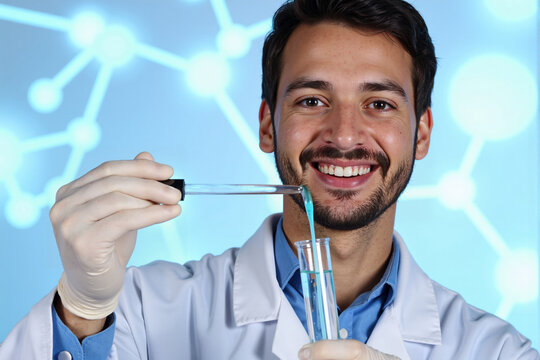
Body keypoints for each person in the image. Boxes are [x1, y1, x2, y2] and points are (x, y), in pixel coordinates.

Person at [1, 0, 538, 359]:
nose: (345, 135)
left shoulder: (494, 349)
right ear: (266, 125)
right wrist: (84, 309)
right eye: (312, 100)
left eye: (378, 103)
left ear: (421, 133)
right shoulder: (143, 310)